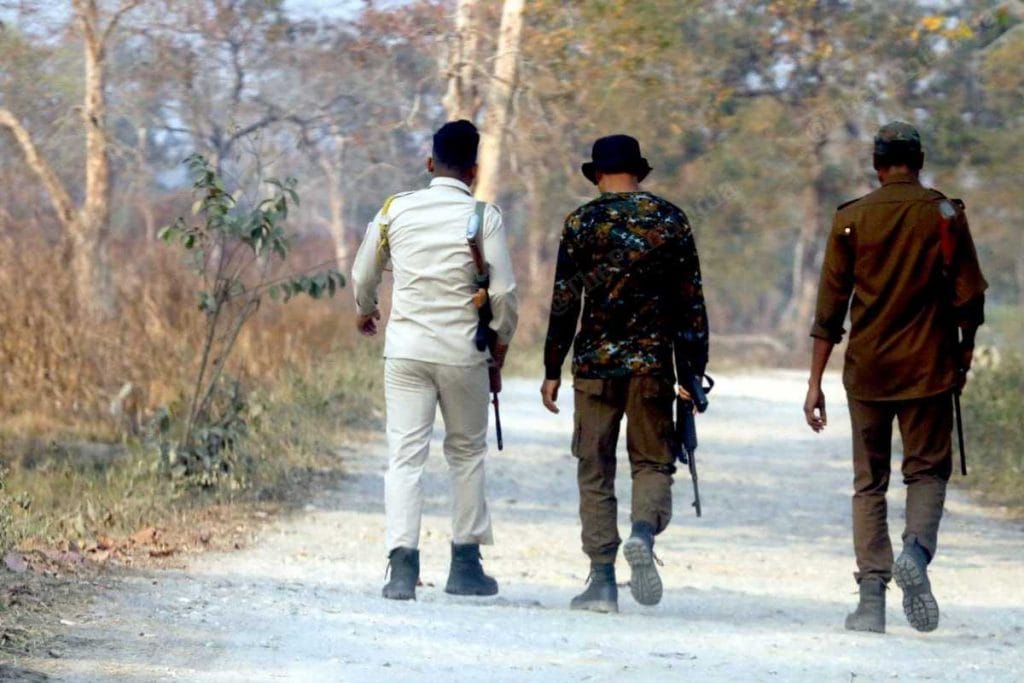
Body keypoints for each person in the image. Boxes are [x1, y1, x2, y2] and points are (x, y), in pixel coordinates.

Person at [803, 121, 987, 634]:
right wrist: (964, 355)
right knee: (926, 473)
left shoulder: (851, 219)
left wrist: (815, 382)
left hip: (867, 372)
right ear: (920, 161)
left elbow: (828, 311)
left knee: (870, 483)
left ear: (878, 166)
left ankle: (870, 601)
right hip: (929, 367)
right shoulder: (945, 213)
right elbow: (969, 297)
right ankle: (916, 551)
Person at [541, 134, 709, 613]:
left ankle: (601, 581)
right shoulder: (671, 219)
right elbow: (690, 304)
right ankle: (642, 532)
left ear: (597, 174)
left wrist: (553, 366)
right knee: (652, 462)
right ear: (640, 172)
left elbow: (564, 300)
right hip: (653, 366)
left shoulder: (581, 222)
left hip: (594, 367)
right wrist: (693, 372)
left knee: (595, 467)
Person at [352, 120, 518, 601]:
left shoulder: (395, 210)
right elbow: (504, 292)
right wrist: (499, 346)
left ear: (430, 164)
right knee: (465, 453)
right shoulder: (483, 217)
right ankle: (465, 566)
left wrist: (366, 312)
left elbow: (365, 272)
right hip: (464, 354)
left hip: (405, 353)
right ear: (474, 170)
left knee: (405, 457)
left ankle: (402, 568)